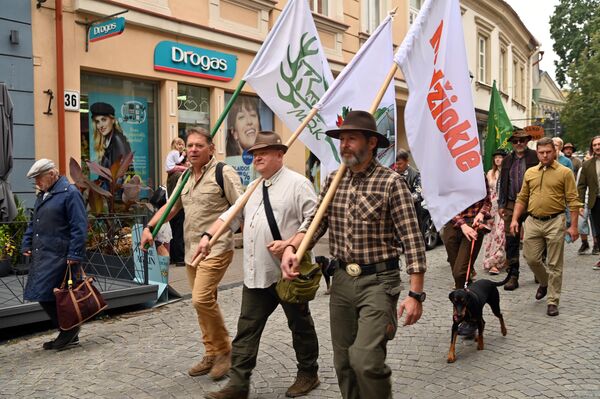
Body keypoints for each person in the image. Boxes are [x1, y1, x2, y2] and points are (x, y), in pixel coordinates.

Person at [281, 111, 427, 399]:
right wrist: (292, 247)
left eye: (351, 138)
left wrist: (415, 295)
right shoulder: (335, 179)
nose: (344, 145)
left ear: (372, 143)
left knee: (366, 360)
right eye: (341, 139)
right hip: (341, 281)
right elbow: (315, 223)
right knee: (344, 363)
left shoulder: (391, 183)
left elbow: (412, 240)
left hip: (379, 282)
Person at [200, 131, 320, 399]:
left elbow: (314, 223)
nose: (257, 158)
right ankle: (239, 385)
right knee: (246, 331)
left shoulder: (298, 184)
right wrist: (209, 236)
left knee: (300, 327)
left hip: (287, 274)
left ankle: (308, 373)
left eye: (263, 152)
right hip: (257, 274)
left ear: (280, 154)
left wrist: (290, 243)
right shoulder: (253, 187)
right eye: (254, 153)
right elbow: (229, 216)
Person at [140, 127, 243, 380]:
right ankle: (210, 352)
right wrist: (149, 227)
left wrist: (222, 232)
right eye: (190, 146)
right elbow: (171, 207)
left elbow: (240, 206)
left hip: (216, 248)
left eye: (199, 145)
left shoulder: (223, 172)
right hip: (190, 250)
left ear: (211, 149)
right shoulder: (184, 177)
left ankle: (224, 350)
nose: (193, 149)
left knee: (200, 299)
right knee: (202, 305)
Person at [21, 159, 88, 350]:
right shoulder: (43, 194)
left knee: (52, 294)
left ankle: (69, 331)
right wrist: (26, 242)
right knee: (44, 294)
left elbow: (79, 226)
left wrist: (74, 254)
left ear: (52, 174)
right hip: (45, 254)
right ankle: (68, 331)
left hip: (61, 256)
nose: (37, 183)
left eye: (39, 179)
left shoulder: (70, 193)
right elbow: (34, 223)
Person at [510, 137, 581, 317]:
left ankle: (552, 301)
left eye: (548, 152)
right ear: (537, 153)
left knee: (555, 263)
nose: (544, 155)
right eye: (541, 152)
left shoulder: (565, 172)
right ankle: (544, 281)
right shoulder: (530, 172)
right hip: (532, 221)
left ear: (555, 151)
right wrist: (515, 219)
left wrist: (573, 227)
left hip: (555, 221)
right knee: (531, 258)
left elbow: (573, 201)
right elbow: (522, 198)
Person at [497, 129, 539, 290]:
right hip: (510, 204)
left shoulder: (535, 157)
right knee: (511, 242)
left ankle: (538, 268)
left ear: (527, 141)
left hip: (532, 204)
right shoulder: (507, 160)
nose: (518, 144)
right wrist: (501, 204)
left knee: (535, 238)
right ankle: (513, 275)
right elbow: (503, 183)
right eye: (515, 141)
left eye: (521, 140)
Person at [442, 177, 492, 289]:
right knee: (457, 272)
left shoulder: (478, 173)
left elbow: (487, 200)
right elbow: (445, 203)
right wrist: (462, 225)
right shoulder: (448, 174)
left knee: (460, 272)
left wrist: (481, 213)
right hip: (452, 223)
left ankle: (460, 303)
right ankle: (468, 294)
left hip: (473, 223)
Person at [483, 149, 507, 274]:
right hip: (491, 206)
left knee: (500, 234)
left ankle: (495, 262)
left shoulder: (507, 172)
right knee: (490, 235)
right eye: (496, 157)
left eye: (500, 157)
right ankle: (490, 260)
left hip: (503, 206)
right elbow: (486, 191)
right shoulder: (490, 173)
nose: (498, 159)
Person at [577, 136, 600, 268]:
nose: (597, 147)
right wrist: (580, 204)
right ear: (592, 148)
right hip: (595, 202)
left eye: (599, 144)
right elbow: (581, 186)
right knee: (598, 231)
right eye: (595, 145)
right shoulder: (586, 165)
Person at [165, 137, 187, 266]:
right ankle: (179, 258)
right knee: (179, 232)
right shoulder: (180, 175)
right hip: (179, 206)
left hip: (171, 205)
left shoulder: (171, 175)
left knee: (173, 232)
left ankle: (173, 257)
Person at [90, 102, 132, 171]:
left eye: (104, 120)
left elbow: (121, 175)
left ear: (113, 120)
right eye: (97, 121)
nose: (101, 125)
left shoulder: (118, 140)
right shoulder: (108, 140)